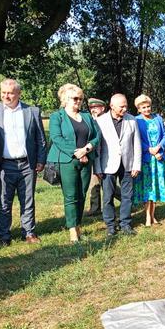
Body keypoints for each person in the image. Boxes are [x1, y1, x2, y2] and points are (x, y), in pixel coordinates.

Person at [0, 78, 47, 246]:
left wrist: (41, 160)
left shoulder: (32, 111)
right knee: (4, 201)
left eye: (10, 93)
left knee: (27, 199)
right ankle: (4, 236)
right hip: (3, 165)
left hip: (27, 164)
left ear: (19, 93)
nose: (6, 96)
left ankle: (29, 233)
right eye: (3, 93)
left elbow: (40, 138)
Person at [47, 84, 101, 243]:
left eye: (81, 98)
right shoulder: (57, 116)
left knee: (82, 194)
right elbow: (57, 138)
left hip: (86, 159)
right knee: (71, 196)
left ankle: (78, 226)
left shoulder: (87, 116)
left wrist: (87, 149)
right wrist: (77, 152)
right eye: (75, 98)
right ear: (65, 99)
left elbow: (97, 135)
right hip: (67, 161)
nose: (78, 101)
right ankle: (72, 231)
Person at [94, 94, 141, 236]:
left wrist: (136, 165)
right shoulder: (100, 121)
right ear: (112, 106)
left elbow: (136, 143)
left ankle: (125, 223)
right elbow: (98, 147)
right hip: (107, 165)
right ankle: (110, 225)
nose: (125, 108)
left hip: (127, 164)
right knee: (108, 197)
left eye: (126, 105)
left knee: (127, 196)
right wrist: (97, 168)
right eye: (122, 106)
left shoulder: (131, 120)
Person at [132, 95, 165, 226]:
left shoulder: (158, 118)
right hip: (145, 159)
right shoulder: (136, 120)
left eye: (148, 106)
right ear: (138, 109)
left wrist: (159, 148)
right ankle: (147, 217)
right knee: (147, 187)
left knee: (155, 187)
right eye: (143, 107)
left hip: (159, 158)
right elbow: (136, 138)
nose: (147, 109)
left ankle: (153, 215)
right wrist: (149, 149)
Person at [85, 97, 119, 216]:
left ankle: (128, 199)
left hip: (106, 157)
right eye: (91, 108)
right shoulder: (90, 120)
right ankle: (95, 208)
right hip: (93, 155)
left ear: (103, 108)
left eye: (95, 107)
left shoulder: (108, 120)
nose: (93, 110)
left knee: (107, 184)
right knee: (94, 183)